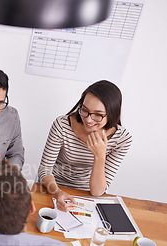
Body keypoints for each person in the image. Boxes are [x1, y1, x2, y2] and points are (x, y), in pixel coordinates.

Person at [37, 80, 132, 212]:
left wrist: (99, 156)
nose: (88, 119)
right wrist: (57, 192)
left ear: (112, 113)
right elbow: (45, 169)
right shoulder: (62, 125)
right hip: (52, 187)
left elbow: (97, 191)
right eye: (85, 110)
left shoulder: (121, 139)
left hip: (86, 193)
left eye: (98, 115)